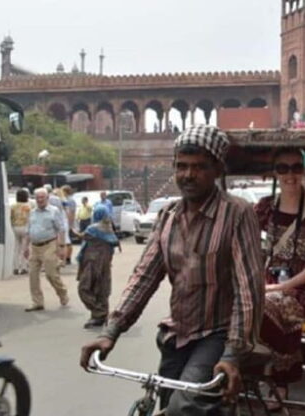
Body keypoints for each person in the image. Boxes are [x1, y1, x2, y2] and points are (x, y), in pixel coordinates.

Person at [79, 125, 264, 414]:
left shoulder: (237, 213)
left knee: (183, 408)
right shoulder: (168, 216)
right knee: (165, 405)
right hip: (176, 334)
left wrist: (233, 353)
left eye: (199, 167)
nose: (188, 175)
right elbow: (144, 277)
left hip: (218, 334)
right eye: (182, 166)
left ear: (217, 170)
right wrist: (111, 331)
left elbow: (248, 291)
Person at [254, 148, 305, 408]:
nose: (290, 174)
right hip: (269, 283)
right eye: (283, 168)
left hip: (303, 289)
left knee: (267, 303)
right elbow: (249, 246)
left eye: (296, 167)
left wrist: (282, 286)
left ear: (303, 170)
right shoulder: (265, 208)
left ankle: (279, 378)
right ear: (274, 173)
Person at [24, 188, 69, 312]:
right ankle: (37, 302)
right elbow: (28, 231)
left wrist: (61, 247)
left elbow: (61, 229)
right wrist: (25, 247)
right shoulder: (32, 212)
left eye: (42, 197)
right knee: (33, 275)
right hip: (34, 246)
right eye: (37, 197)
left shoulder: (54, 211)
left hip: (49, 245)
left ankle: (62, 293)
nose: (39, 200)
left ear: (47, 198)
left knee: (51, 274)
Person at [76, 205, 120, 329]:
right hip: (105, 263)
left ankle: (99, 313)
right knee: (102, 290)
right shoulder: (109, 228)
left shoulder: (93, 229)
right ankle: (99, 317)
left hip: (92, 262)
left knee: (84, 289)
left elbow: (82, 236)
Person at [10, 189, 32, 275]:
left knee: (16, 248)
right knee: (25, 248)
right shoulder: (29, 206)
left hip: (15, 227)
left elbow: (11, 217)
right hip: (26, 227)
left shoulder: (13, 206)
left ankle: (15, 267)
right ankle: (23, 267)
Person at [61, 185, 77, 265]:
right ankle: (67, 257)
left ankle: (68, 257)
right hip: (67, 222)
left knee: (68, 241)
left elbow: (71, 213)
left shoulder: (70, 201)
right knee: (67, 241)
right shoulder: (67, 200)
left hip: (68, 222)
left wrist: (70, 224)